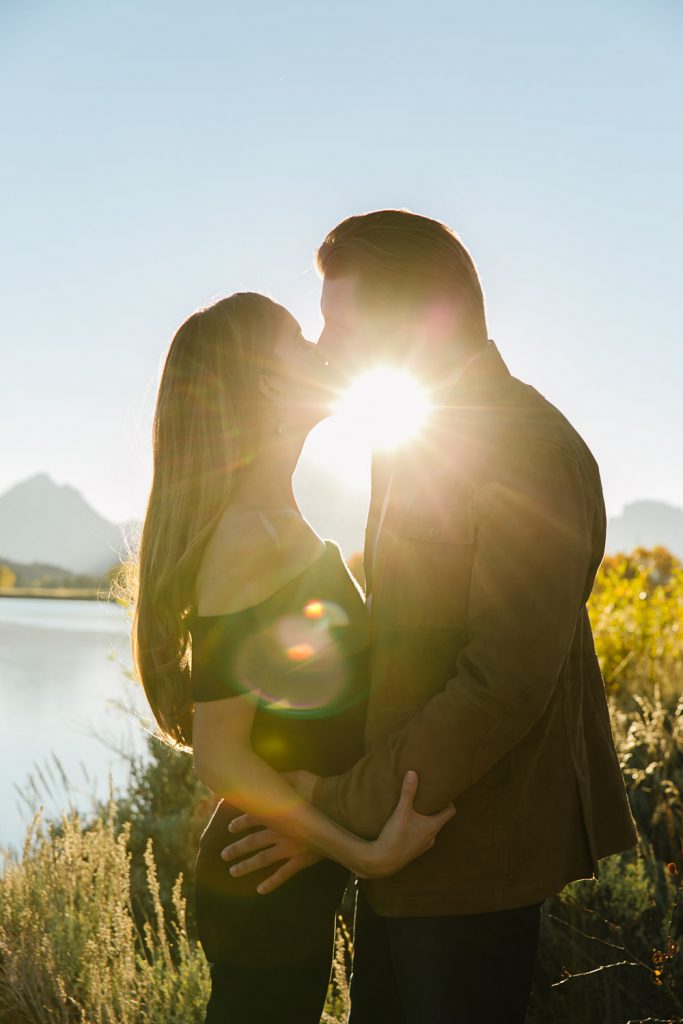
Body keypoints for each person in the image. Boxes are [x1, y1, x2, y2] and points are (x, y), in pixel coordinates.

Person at [219, 211, 641, 1023]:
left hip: (471, 851)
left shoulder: (530, 450)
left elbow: (504, 680)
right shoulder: (406, 437)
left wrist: (338, 806)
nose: (324, 343)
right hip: (404, 844)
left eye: (337, 322)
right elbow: (406, 642)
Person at [127, 291, 455, 1024]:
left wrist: (330, 832)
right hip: (261, 874)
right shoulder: (252, 535)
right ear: (269, 383)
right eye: (301, 341)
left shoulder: (276, 520)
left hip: (276, 863)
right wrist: (358, 852)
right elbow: (220, 756)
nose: (322, 349)